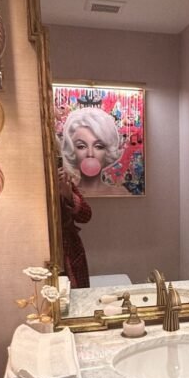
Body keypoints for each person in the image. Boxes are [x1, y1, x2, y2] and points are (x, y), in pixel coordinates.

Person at [57, 108, 122, 287]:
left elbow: (86, 215)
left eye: (99, 146)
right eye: (81, 146)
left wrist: (68, 194)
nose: (90, 154)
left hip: (69, 252)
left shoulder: (65, 181)